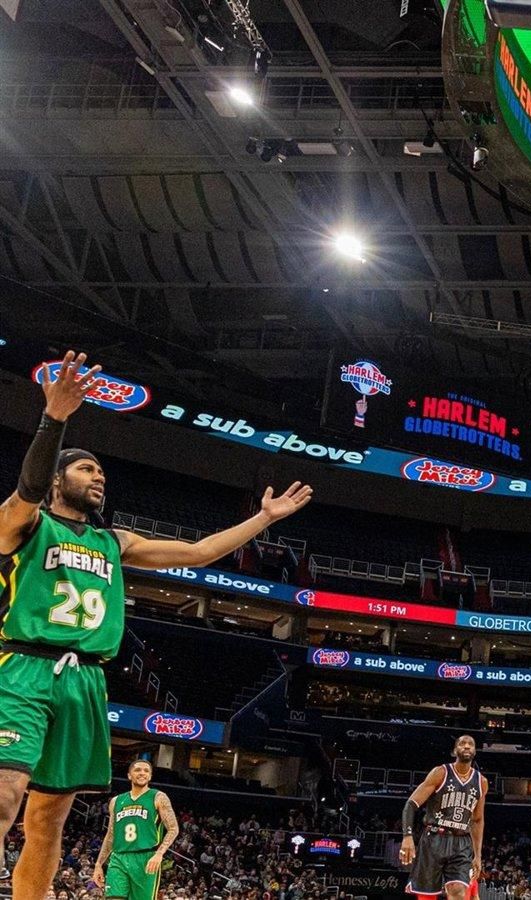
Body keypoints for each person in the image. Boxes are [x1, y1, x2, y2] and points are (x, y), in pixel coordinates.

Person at [0, 352, 314, 900]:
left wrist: (263, 519)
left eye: (101, 470)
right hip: (24, 667)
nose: (99, 476)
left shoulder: (114, 542)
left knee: (47, 821)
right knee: (4, 795)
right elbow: (27, 489)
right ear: (57, 480)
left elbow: (197, 552)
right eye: (85, 467)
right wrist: (54, 420)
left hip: (86, 682)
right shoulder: (25, 524)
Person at [399, 735, 487, 900]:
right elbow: (411, 804)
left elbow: (477, 820)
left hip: (461, 841)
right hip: (434, 838)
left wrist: (478, 855)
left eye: (471, 744)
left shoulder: (481, 782)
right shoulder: (440, 773)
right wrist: (407, 836)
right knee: (426, 896)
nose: (467, 746)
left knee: (459, 891)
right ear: (455, 751)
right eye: (462, 743)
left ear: (475, 751)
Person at [92, 760, 179, 900]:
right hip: (118, 857)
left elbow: (173, 828)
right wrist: (98, 864)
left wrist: (159, 854)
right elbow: (111, 834)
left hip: (146, 858)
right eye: (138, 770)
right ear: (129, 775)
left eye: (146, 771)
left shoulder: (158, 797)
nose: (142, 773)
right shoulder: (116, 801)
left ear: (150, 776)